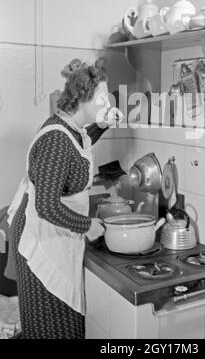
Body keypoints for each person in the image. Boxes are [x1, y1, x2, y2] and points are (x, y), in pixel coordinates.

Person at [8, 59, 121, 339]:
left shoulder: (69, 128)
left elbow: (79, 144)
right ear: (83, 99)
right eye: (103, 99)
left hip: (55, 233)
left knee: (65, 323)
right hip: (41, 241)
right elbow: (46, 206)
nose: (108, 103)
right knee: (50, 326)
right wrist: (87, 225)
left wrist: (103, 125)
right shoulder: (55, 141)